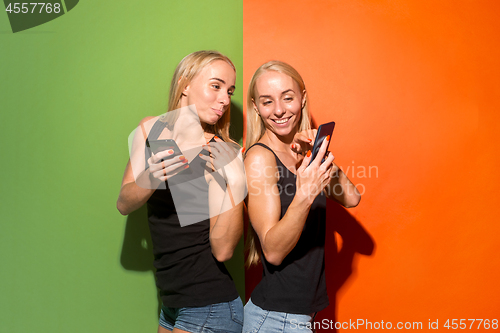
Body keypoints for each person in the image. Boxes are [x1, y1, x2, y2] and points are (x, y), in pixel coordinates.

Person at [117, 51, 245, 333]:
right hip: (171, 304)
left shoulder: (220, 151)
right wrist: (150, 177)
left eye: (230, 90)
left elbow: (223, 250)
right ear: (185, 84)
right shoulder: (152, 129)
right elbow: (124, 203)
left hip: (208, 304)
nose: (225, 99)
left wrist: (237, 184)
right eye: (216, 85)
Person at [243, 60, 361, 332]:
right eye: (267, 101)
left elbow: (352, 197)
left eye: (287, 97)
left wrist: (320, 156)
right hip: (275, 319)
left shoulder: (302, 154)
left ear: (303, 98)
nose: (280, 110)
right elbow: (272, 251)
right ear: (256, 108)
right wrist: (305, 192)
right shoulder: (260, 158)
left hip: (298, 316)